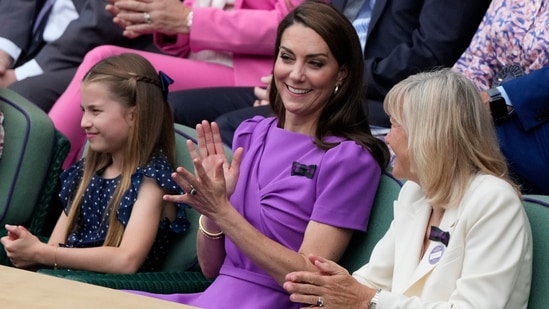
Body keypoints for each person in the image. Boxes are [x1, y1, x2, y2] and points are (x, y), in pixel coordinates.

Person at [128, 2, 390, 307]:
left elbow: (306, 277)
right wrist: (213, 213)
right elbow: (212, 269)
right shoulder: (251, 132)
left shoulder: (350, 159)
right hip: (213, 297)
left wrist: (223, 212)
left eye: (315, 63)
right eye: (287, 57)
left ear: (341, 74)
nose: (295, 74)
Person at [283, 69, 533, 308]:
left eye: (394, 125)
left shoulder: (494, 201)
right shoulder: (416, 193)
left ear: (428, 134)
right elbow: (373, 280)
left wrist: (365, 300)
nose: (387, 138)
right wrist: (332, 296)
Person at [167, 0, 491, 146]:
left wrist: (325, 79)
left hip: (384, 95)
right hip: (320, 74)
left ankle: (232, 244)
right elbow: (316, 23)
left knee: (236, 127)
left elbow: (430, 53)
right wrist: (297, 74)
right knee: (173, 108)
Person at [48, 0, 305, 169]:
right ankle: (62, 182)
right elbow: (186, 21)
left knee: (107, 62)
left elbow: (295, 25)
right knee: (107, 71)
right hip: (201, 60)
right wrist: (160, 19)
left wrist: (189, 20)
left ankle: (40, 172)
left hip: (255, 73)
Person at [1, 53, 189, 273]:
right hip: (64, 287)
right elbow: (55, 248)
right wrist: (29, 250)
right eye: (84, 111)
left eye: (95, 111)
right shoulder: (87, 170)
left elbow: (126, 261)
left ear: (133, 116)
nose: (84, 123)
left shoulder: (152, 179)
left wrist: (42, 253)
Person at [453, 0, 549, 195]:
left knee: (451, 147)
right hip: (490, 115)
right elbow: (477, 60)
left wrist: (499, 100)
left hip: (536, 132)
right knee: (426, 130)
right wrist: (452, 102)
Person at [0, 0, 159, 112]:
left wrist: (19, 75)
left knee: (18, 98)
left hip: (103, 52)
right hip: (31, 38)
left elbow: (105, 19)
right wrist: (3, 50)